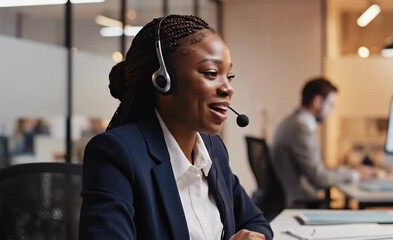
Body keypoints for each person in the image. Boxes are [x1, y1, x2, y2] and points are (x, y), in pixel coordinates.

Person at [79, 15, 273, 240]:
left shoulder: (212, 148)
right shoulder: (117, 154)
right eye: (211, 73)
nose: (227, 88)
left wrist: (254, 237)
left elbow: (256, 222)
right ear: (163, 80)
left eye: (229, 76)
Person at [270, 77, 376, 208]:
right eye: (330, 105)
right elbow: (319, 178)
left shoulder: (294, 122)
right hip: (302, 205)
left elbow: (318, 170)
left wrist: (348, 170)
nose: (330, 112)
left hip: (300, 201)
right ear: (318, 101)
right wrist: (355, 174)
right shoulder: (300, 127)